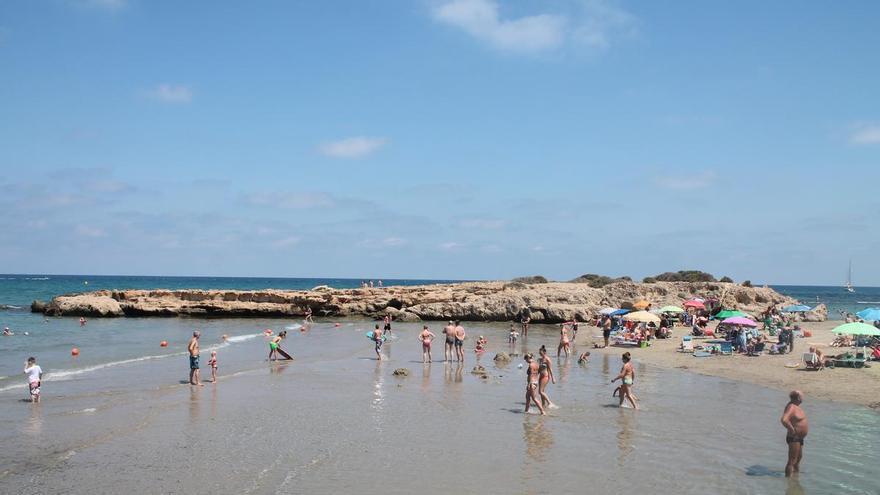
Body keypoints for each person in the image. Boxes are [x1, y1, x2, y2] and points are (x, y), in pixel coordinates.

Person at [781, 390, 808, 477]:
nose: (804, 397)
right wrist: (792, 430)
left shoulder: (795, 406)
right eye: (802, 395)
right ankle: (789, 481)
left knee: (798, 459)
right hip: (794, 438)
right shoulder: (791, 407)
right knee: (792, 460)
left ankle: (796, 477)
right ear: (799, 398)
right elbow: (784, 419)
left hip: (799, 438)